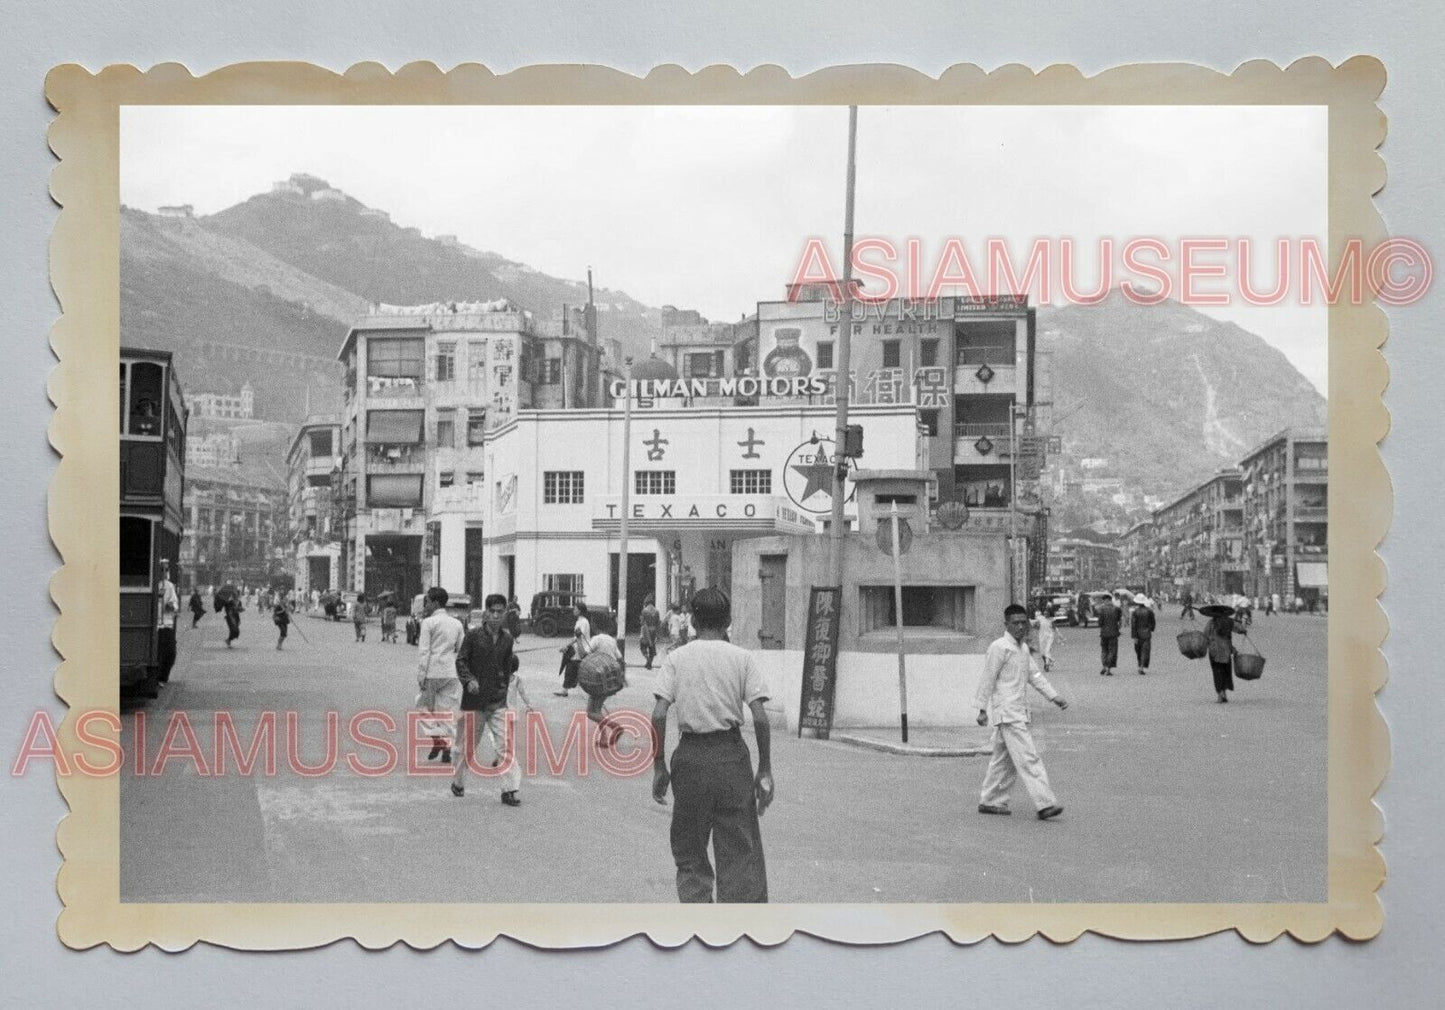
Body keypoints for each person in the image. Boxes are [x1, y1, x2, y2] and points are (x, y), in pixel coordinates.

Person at [650, 587, 773, 903]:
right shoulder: (742, 658)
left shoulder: (677, 658)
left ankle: (698, 920)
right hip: (731, 757)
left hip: (690, 759)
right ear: (728, 621)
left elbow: (660, 713)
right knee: (739, 849)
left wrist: (659, 765)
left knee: (690, 848)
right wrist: (765, 769)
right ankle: (737, 930)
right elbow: (759, 717)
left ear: (691, 621)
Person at [975, 603, 1069, 820]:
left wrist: (1054, 697)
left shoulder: (1023, 648)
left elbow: (1035, 676)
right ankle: (1045, 804)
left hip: (1018, 711)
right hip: (1007, 712)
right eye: (1015, 623)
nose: (1020, 627)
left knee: (1003, 761)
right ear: (1006, 624)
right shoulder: (999, 647)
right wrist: (981, 709)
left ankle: (990, 801)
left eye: (1023, 623)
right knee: (1029, 758)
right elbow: (987, 679)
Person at [452, 594, 525, 804]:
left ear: (504, 614)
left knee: (505, 746)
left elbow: (507, 665)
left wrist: (504, 686)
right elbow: (461, 661)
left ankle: (509, 790)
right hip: (474, 702)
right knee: (467, 747)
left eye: (499, 612)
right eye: (491, 611)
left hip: (497, 700)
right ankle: (458, 782)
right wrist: (469, 680)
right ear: (485, 612)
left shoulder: (507, 639)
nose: (495, 615)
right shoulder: (473, 636)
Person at [415, 587, 465, 763]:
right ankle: (448, 746)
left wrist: (421, 677)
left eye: (427, 601)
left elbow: (424, 652)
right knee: (447, 710)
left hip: (433, 671)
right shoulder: (457, 623)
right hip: (451, 672)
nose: (425, 605)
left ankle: (438, 739)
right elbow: (462, 651)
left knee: (422, 708)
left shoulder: (428, 623)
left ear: (435, 602)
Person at [1203, 605, 1246, 703]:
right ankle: (1224, 694)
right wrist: (1243, 629)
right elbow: (1240, 629)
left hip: (1214, 652)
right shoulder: (1229, 622)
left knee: (1217, 673)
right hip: (1226, 651)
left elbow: (1204, 635)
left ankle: (1220, 695)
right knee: (1225, 672)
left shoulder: (1211, 623)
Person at [555, 601, 591, 697]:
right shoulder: (579, 621)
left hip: (581, 649)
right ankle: (565, 689)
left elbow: (578, 637)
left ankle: (566, 689)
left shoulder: (583, 622)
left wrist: (566, 646)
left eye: (575, 609)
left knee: (574, 668)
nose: (573, 610)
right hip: (577, 649)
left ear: (579, 611)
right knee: (571, 668)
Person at [155, 560, 179, 684]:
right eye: (162, 570)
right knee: (158, 653)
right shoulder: (152, 584)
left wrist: (172, 606)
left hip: (166, 623)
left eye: (166, 570)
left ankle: (163, 677)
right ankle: (157, 677)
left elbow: (174, 602)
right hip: (156, 624)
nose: (164, 573)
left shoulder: (169, 586)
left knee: (170, 652)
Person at [1130, 593, 1156, 675]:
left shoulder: (1135, 612)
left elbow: (1133, 625)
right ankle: (1142, 666)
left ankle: (1140, 666)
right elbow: (1153, 622)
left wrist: (1134, 636)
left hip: (1137, 634)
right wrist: (1151, 629)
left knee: (1138, 650)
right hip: (1147, 633)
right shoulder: (1149, 611)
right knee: (1145, 651)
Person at [1095, 593, 1121, 676]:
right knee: (1112, 650)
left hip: (1104, 633)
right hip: (1113, 633)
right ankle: (1108, 669)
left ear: (1105, 601)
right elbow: (1118, 620)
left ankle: (1104, 666)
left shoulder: (1101, 610)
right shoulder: (1116, 609)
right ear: (1110, 600)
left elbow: (1100, 623)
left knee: (1104, 650)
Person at [1031, 604, 1057, 672]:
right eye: (1045, 612)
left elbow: (1054, 628)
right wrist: (1036, 626)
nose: (1045, 613)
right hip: (1042, 637)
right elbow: (1036, 626)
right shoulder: (1040, 618)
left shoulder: (1052, 619)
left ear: (1050, 613)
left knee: (1047, 651)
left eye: (1047, 612)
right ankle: (1048, 661)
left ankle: (1047, 665)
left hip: (1050, 637)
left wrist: (1059, 635)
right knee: (1043, 653)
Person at [639, 594, 661, 670]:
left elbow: (642, 622)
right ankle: (649, 663)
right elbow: (658, 623)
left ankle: (647, 658)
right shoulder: (656, 611)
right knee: (652, 647)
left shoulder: (644, 611)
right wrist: (658, 634)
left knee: (643, 646)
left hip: (646, 630)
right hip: (653, 631)